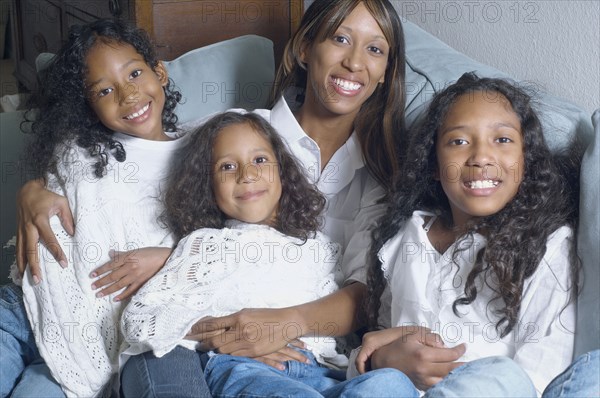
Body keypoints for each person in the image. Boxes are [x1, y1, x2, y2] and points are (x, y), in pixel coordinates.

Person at [15, 0, 465, 394]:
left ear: (387, 71)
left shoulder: (379, 183)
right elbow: (139, 153)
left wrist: (284, 324)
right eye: (340, 39)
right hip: (201, 346)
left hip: (297, 354)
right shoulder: (236, 132)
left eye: (374, 49)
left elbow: (362, 295)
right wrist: (37, 188)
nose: (353, 63)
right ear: (305, 48)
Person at [120, 111, 417, 397]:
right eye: (227, 167)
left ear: (283, 172)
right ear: (208, 187)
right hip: (245, 369)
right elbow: (141, 319)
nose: (247, 175)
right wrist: (227, 333)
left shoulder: (322, 248)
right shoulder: (206, 245)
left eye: (259, 160)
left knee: (391, 384)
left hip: (324, 374)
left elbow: (346, 329)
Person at [352, 72, 581, 397]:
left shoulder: (548, 246)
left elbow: (540, 376)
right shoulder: (407, 236)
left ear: (526, 161)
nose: (480, 157)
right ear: (433, 163)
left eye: (502, 140)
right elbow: (379, 342)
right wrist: (380, 360)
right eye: (458, 141)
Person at [0, 19, 192, 397]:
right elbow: (55, 186)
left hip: (101, 329)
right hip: (24, 306)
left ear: (160, 72)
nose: (128, 94)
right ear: (89, 106)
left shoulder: (202, 150)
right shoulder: (81, 151)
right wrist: (31, 189)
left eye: (135, 73)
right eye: (104, 91)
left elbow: (223, 241)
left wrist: (172, 256)